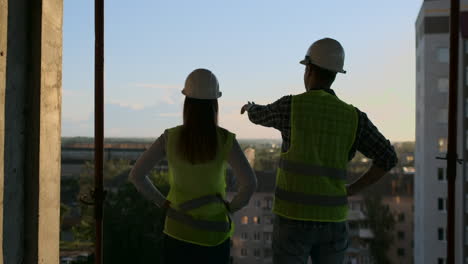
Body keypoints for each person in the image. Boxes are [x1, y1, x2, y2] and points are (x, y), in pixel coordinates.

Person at [241, 38, 398, 264]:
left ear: (310, 69)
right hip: (332, 221)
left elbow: (259, 115)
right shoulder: (354, 118)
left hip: (291, 219)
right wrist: (352, 189)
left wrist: (250, 107)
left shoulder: (291, 107)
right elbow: (388, 157)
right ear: (335, 74)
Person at [129, 68, 257, 264]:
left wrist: (162, 202)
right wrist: (230, 208)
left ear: (186, 103)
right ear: (215, 103)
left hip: (177, 233)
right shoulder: (225, 139)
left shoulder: (170, 137)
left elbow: (137, 175)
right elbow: (249, 184)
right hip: (214, 236)